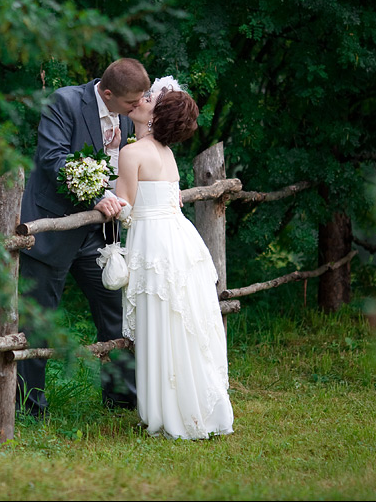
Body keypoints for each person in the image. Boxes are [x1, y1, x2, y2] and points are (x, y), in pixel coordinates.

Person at [17, 58, 151, 418]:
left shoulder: (127, 113)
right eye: (131, 103)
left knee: (117, 316)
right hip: (51, 228)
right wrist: (97, 196)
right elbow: (53, 159)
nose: (138, 107)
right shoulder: (64, 103)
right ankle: (29, 408)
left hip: (97, 235)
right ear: (107, 93)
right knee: (37, 323)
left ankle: (121, 398)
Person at [112, 76, 234, 439]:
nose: (140, 101)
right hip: (179, 240)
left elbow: (124, 210)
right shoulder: (166, 155)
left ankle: (168, 411)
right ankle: (192, 406)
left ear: (155, 116)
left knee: (162, 324)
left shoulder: (131, 153)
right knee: (180, 324)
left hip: (154, 245)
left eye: (148, 100)